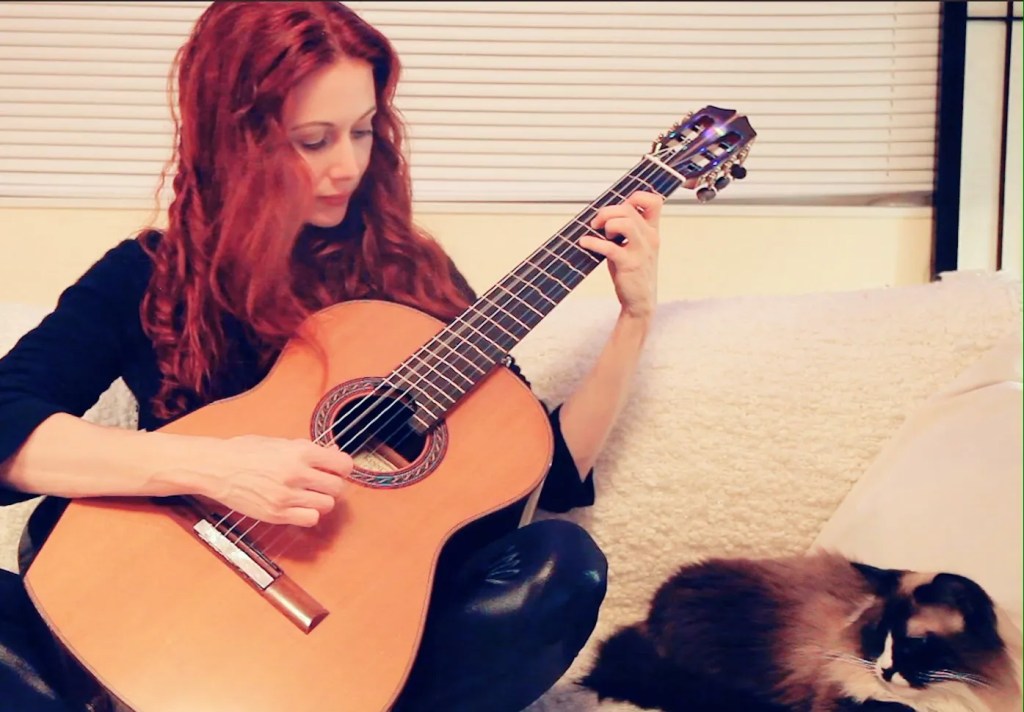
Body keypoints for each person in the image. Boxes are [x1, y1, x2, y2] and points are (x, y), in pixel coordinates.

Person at [0, 2, 663, 710]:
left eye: (363, 131)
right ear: (236, 138)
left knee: (563, 567)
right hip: (170, 596)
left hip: (348, 629)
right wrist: (216, 466)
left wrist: (635, 318)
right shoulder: (151, 273)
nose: (346, 166)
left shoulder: (412, 272)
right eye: (312, 140)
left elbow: (548, 469)